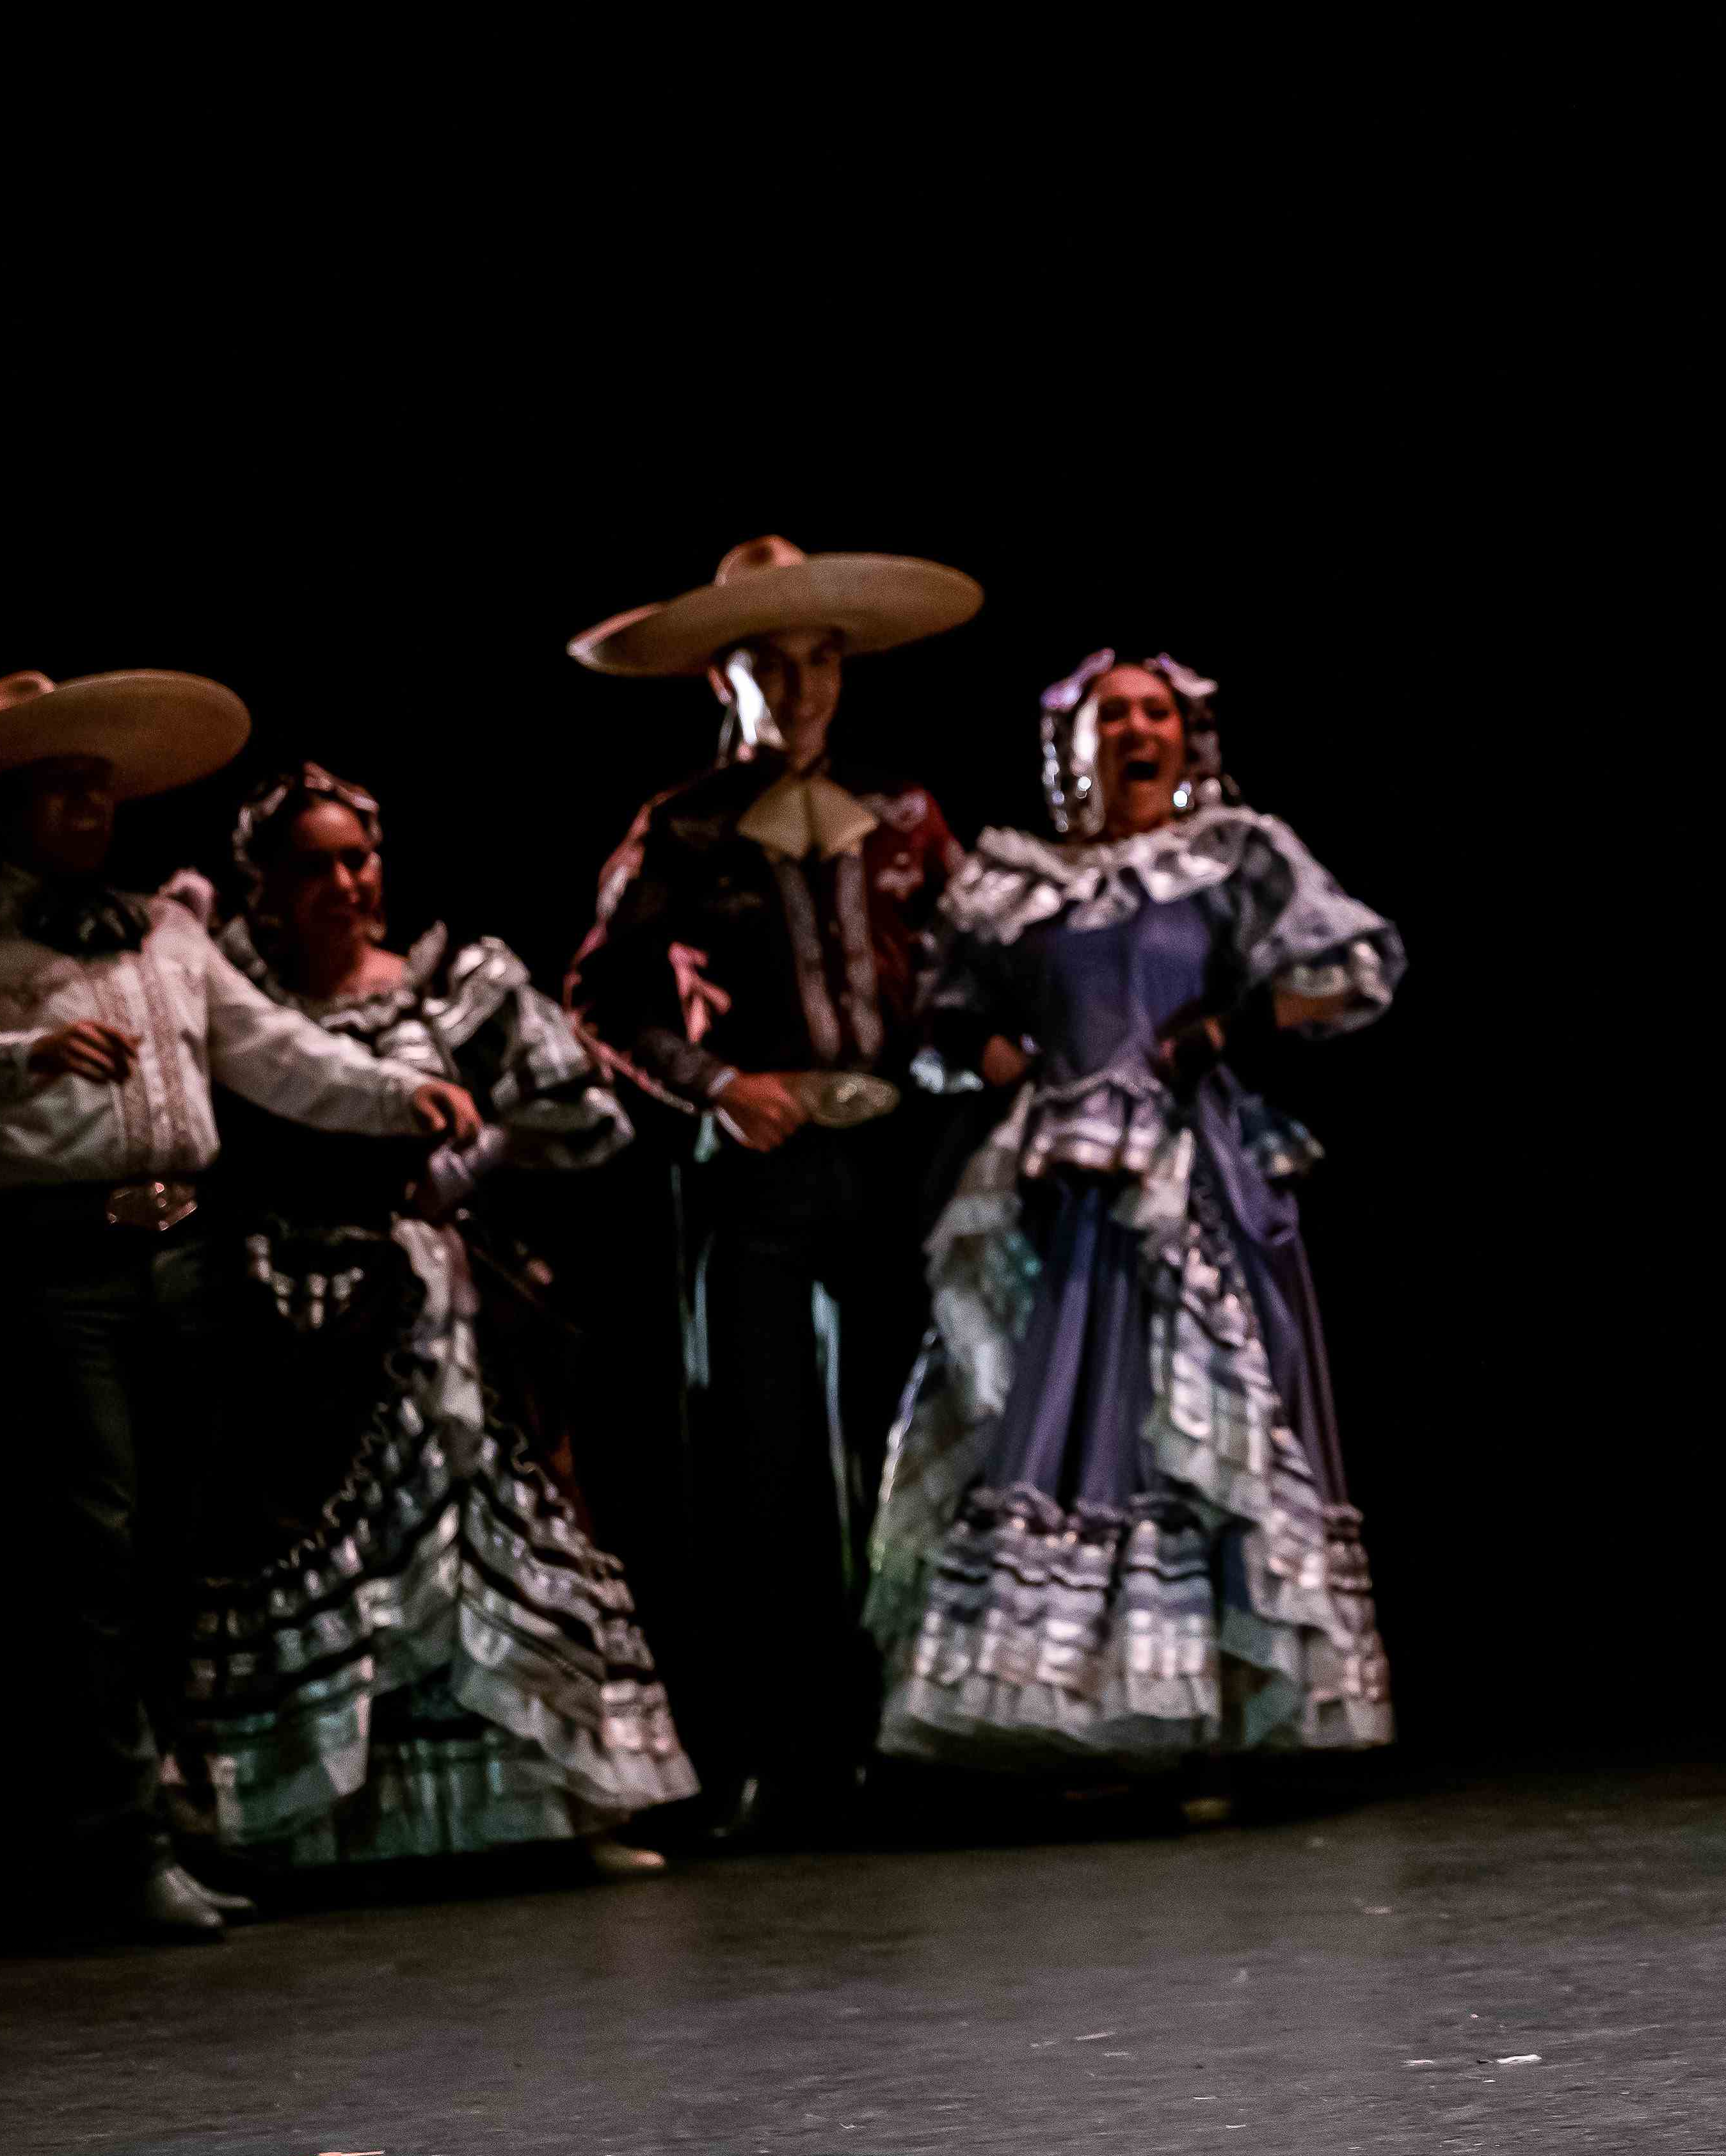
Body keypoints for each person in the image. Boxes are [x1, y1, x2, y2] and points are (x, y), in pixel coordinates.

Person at [0, 671, 480, 1943]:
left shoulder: (163, 931)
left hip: (182, 1256)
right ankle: (108, 1842)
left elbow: (276, 1049)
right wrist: (26, 1053)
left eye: (99, 782)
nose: (87, 803)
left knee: (171, 1543)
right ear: (4, 802)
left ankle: (151, 1814)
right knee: (92, 1551)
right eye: (58, 782)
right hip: (61, 1263)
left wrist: (401, 1094)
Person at [867, 650, 1402, 1769]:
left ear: (1187, 736)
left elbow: (1357, 967)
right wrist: (988, 1048)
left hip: (1185, 1171)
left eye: (1155, 712)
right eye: (1110, 716)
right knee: (1044, 1425)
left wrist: (1231, 1027)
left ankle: (1213, 1718)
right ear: (1073, 746)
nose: (1135, 730)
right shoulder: (1015, 882)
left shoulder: (1228, 856)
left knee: (1190, 1427)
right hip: (1050, 1181)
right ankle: (1064, 1722)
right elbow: (942, 1014)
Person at [173, 765, 697, 1878]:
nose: (343, 882)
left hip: (436, 1308)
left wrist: (472, 1158)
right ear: (261, 884)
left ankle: (561, 1803)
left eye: (357, 858)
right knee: (322, 1554)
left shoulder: (458, 983)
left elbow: (586, 1117)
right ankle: (312, 1821)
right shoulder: (232, 990)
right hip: (287, 1309)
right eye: (310, 864)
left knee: (487, 1536)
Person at [564, 536, 979, 1844]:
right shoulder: (682, 823)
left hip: (900, 1158)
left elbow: (962, 968)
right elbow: (601, 994)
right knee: (763, 1459)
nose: (797, 689)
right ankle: (771, 1752)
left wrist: (950, 1054)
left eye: (817, 662)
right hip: (763, 1169)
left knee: (905, 1445)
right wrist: (716, 1083)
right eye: (767, 665)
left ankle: (905, 1739)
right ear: (722, 681)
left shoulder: (905, 810)